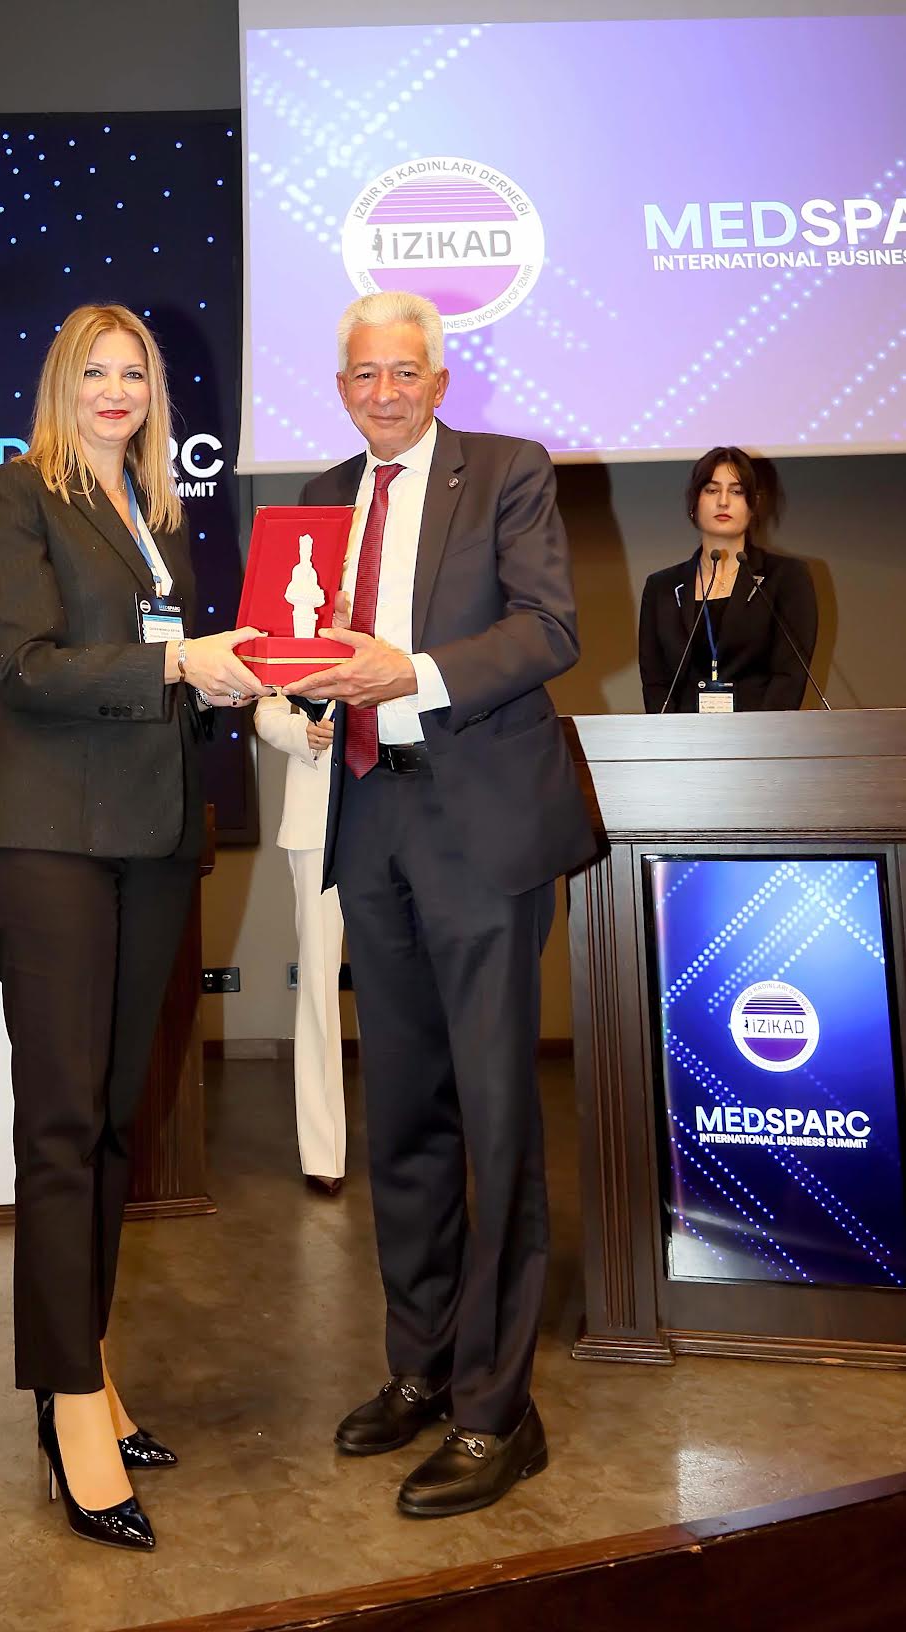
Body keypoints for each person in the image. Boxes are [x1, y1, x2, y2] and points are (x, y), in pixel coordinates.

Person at [0, 303, 264, 1550]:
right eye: (94, 371)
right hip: (46, 840)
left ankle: (84, 1368)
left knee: (114, 1126)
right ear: (60, 383)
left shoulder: (158, 517)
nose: (116, 390)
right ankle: (69, 1405)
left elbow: (168, 678)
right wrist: (180, 665)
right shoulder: (16, 494)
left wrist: (251, 688)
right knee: (62, 1125)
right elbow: (26, 667)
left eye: (133, 372)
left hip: (150, 837)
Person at [287, 291, 594, 1518]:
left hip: (478, 826)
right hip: (369, 817)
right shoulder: (318, 496)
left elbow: (549, 627)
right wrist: (290, 679)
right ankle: (418, 1367)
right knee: (403, 1114)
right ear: (342, 386)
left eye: (402, 371)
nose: (382, 392)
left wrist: (404, 672)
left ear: (437, 380)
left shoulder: (507, 472)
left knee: (496, 1117)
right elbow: (298, 641)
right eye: (362, 374)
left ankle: (495, 1410)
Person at [638, 446, 818, 712]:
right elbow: (655, 683)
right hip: (681, 735)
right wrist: (672, 734)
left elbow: (789, 676)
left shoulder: (786, 578)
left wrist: (759, 734)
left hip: (762, 734)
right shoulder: (661, 587)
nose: (723, 501)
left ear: (753, 505)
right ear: (694, 503)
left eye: (736, 491)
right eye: (712, 490)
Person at [254, 691, 346, 1194]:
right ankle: (322, 1150)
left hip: (402, 816)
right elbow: (267, 711)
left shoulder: (402, 637)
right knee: (318, 982)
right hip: (316, 823)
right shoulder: (294, 641)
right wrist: (302, 733)